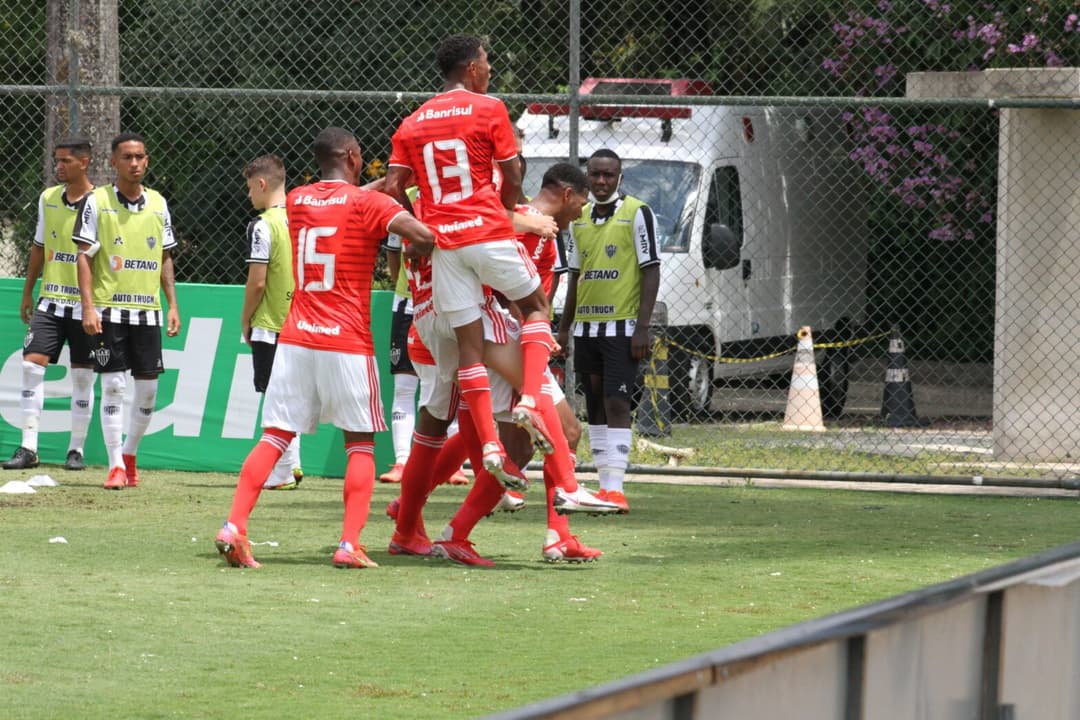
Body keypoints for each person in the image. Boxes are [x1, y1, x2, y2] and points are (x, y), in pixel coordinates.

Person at [214, 127, 434, 570]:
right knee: (361, 444)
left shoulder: (297, 199)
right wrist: (414, 247)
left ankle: (234, 525)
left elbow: (340, 198)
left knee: (275, 435)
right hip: (347, 340)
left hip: (295, 338)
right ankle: (350, 544)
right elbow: (423, 235)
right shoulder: (370, 205)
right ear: (353, 155)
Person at [384, 34, 558, 489]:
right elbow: (515, 171)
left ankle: (487, 446)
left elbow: (392, 185)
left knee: (467, 352)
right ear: (470, 68)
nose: (490, 70)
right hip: (484, 228)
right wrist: (502, 209)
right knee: (537, 305)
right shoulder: (489, 108)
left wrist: (420, 219)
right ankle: (531, 401)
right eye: (486, 62)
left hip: (443, 248)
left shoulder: (412, 122)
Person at [73, 132, 181, 489]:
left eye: (140, 157)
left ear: (147, 161)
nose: (135, 163)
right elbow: (84, 258)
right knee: (115, 385)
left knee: (148, 391)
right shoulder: (97, 202)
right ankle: (115, 464)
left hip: (147, 313)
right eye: (127, 158)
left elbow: (165, 256)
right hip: (108, 312)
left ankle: (131, 453)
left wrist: (173, 305)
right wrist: (88, 307)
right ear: (113, 163)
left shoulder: (159, 203)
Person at [557, 149, 661, 513]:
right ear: (588, 176)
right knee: (594, 405)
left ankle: (616, 488)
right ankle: (603, 487)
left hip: (623, 327)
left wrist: (643, 328)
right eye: (596, 175)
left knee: (618, 402)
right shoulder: (578, 216)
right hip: (586, 328)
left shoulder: (637, 213)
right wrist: (564, 328)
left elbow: (650, 270)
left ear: (620, 177)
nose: (602, 181)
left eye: (609, 175)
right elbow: (574, 275)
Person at [3, 138, 97, 471]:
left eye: (65, 161)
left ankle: (76, 450)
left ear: (84, 163)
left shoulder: (101, 203)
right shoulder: (48, 198)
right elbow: (39, 246)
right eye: (56, 161)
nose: (58, 167)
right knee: (31, 366)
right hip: (51, 301)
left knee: (84, 376)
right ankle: (29, 447)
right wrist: (28, 291)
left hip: (88, 305)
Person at [239, 154, 303, 491]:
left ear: (262, 184)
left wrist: (245, 317)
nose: (249, 196)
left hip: (271, 321)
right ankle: (293, 465)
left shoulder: (263, 225)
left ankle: (282, 470)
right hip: (303, 321)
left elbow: (258, 282)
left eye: (250, 188)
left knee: (274, 396)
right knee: (290, 395)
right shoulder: (304, 218)